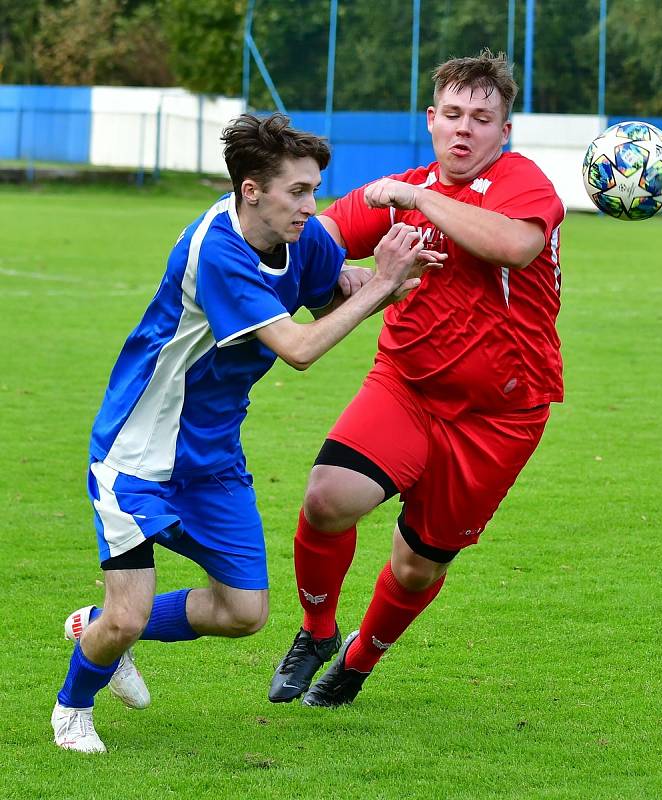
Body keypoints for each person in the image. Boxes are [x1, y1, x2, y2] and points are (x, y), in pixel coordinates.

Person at [51, 112, 441, 752]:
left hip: (212, 456)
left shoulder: (301, 236)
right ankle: (73, 706)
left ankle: (97, 627)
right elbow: (299, 348)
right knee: (129, 614)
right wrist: (384, 286)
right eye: (299, 191)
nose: (312, 206)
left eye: (316, 189)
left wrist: (393, 278)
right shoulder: (219, 252)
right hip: (138, 453)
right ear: (251, 190)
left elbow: (328, 299)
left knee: (244, 612)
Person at [269, 50, 565, 707]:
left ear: (503, 132)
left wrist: (419, 198)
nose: (464, 128)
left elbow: (514, 245)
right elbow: (311, 243)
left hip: (500, 417)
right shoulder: (401, 190)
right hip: (405, 388)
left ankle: (359, 659)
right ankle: (318, 631)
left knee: (415, 565)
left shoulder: (520, 183)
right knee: (326, 498)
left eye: (481, 118)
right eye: (453, 114)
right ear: (431, 119)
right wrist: (324, 274)